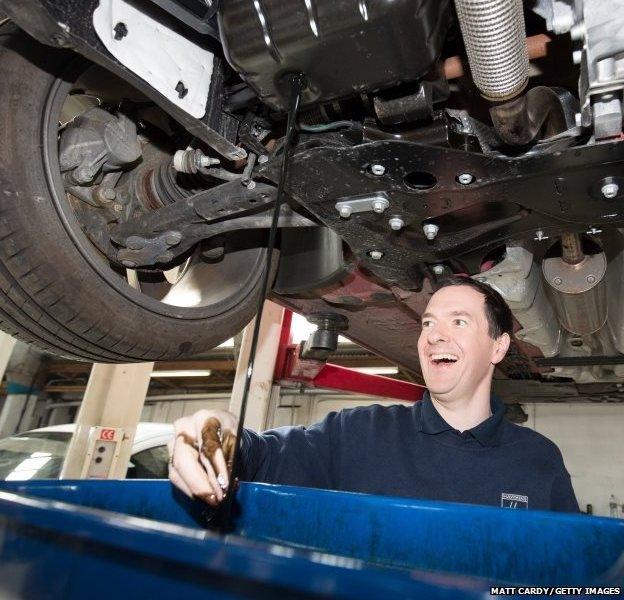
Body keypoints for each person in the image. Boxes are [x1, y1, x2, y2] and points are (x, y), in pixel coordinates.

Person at [168, 276, 579, 513]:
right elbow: (257, 456)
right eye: (429, 323)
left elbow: (570, 571)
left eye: (459, 321)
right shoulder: (356, 434)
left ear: (499, 347)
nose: (435, 334)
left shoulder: (539, 459)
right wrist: (215, 428)